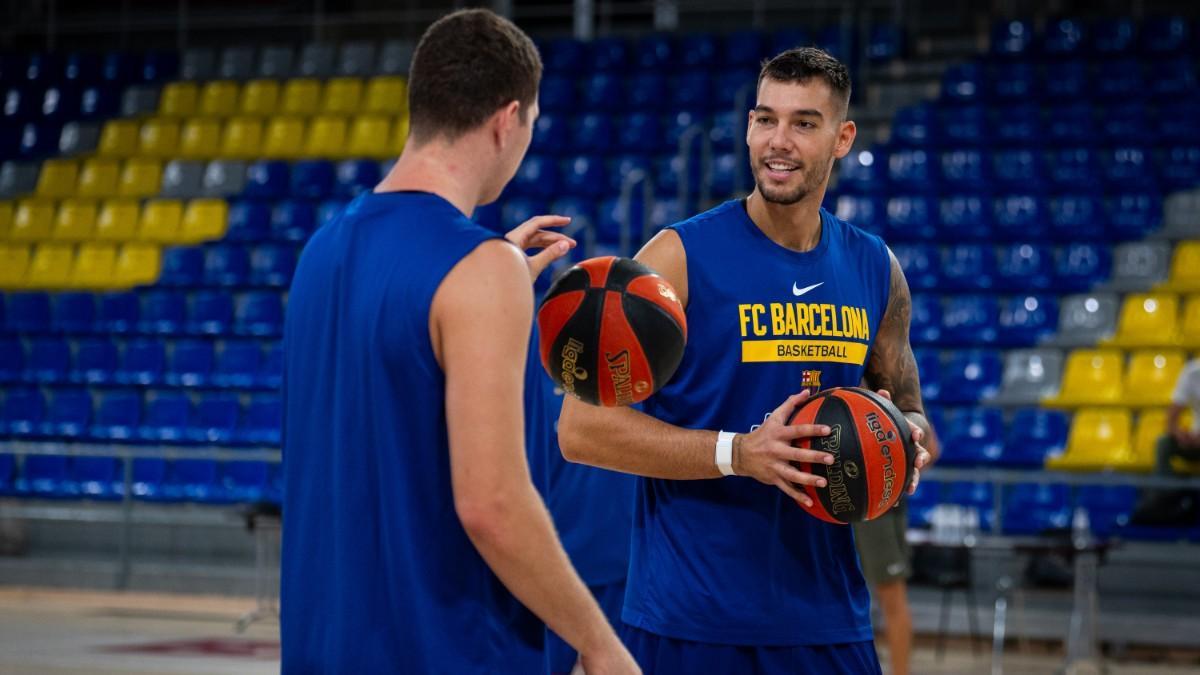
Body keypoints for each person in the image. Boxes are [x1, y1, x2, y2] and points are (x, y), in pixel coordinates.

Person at [280, 9, 638, 673]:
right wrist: (599, 642)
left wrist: (489, 282)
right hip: (446, 650)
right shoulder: (477, 272)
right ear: (507, 120)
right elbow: (492, 505)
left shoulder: (321, 252)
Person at [558, 47, 935, 673]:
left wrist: (904, 444)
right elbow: (580, 429)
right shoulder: (677, 258)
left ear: (842, 138)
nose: (777, 142)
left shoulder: (875, 268)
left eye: (803, 123)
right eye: (765, 119)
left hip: (828, 618)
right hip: (691, 621)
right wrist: (740, 453)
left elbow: (910, 409)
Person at [1158, 359, 1200, 476]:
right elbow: (1172, 416)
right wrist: (1178, 434)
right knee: (1164, 443)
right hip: (1194, 437)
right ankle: (1164, 489)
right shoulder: (1191, 372)